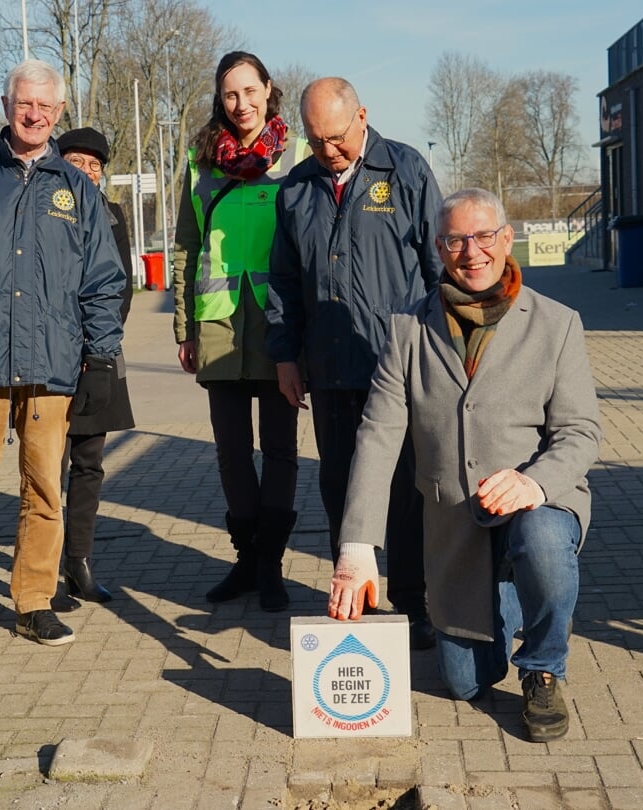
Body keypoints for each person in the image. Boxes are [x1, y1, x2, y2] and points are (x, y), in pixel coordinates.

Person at [326, 188, 601, 743]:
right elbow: (378, 436)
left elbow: (580, 432)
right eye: (455, 239)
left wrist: (534, 482)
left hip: (538, 502)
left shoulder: (557, 323)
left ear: (506, 239)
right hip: (455, 521)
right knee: (465, 683)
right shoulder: (407, 330)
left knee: (543, 545)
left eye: (482, 237)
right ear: (439, 247)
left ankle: (544, 666)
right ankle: (498, 594)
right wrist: (356, 550)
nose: (470, 251)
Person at [0, 60, 125, 655]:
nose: (33, 114)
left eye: (45, 106)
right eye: (23, 103)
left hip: (52, 367)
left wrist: (102, 358)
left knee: (44, 492)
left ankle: (34, 603)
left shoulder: (77, 190)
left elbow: (103, 282)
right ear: (6, 105)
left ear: (59, 113)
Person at [266, 77, 442, 648]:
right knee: (341, 486)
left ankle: (414, 603)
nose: (327, 152)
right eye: (315, 141)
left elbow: (439, 268)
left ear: (362, 116)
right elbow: (284, 283)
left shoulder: (406, 171)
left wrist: (447, 351)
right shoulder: (297, 187)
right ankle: (358, 597)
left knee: (407, 492)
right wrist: (286, 356)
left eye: (336, 138)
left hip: (400, 367)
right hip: (331, 367)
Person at [171, 51, 309, 612]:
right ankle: (247, 558)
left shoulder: (299, 157)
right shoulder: (199, 161)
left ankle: (270, 565)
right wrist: (185, 327)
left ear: (269, 90)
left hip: (279, 325)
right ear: (219, 99)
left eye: (250, 92)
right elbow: (186, 248)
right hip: (220, 324)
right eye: (230, 95)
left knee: (280, 450)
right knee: (231, 453)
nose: (241, 104)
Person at [52, 127, 136, 609]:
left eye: (94, 165)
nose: (86, 171)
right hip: (51, 358)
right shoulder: (44, 209)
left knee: (88, 464)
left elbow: (120, 286)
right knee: (46, 467)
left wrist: (97, 349)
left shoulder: (113, 213)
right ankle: (44, 569)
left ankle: (78, 563)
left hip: (100, 356)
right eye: (76, 162)